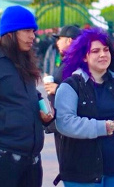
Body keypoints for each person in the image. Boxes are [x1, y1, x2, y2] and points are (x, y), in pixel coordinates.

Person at [0, 5, 54, 187]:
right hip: (2, 157)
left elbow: (28, 94)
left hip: (31, 159)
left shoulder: (23, 60)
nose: (33, 36)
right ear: (11, 33)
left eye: (34, 31)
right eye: (27, 31)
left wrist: (42, 110)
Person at [54, 28, 114, 186]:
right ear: (84, 57)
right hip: (81, 173)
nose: (103, 55)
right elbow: (64, 122)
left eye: (106, 50)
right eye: (95, 51)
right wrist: (101, 127)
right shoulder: (71, 86)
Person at [43, 24, 82, 161]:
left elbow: (83, 90)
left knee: (71, 164)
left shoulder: (77, 62)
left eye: (59, 39)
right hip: (61, 122)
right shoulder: (68, 60)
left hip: (70, 123)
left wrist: (57, 88)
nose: (57, 42)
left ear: (69, 40)